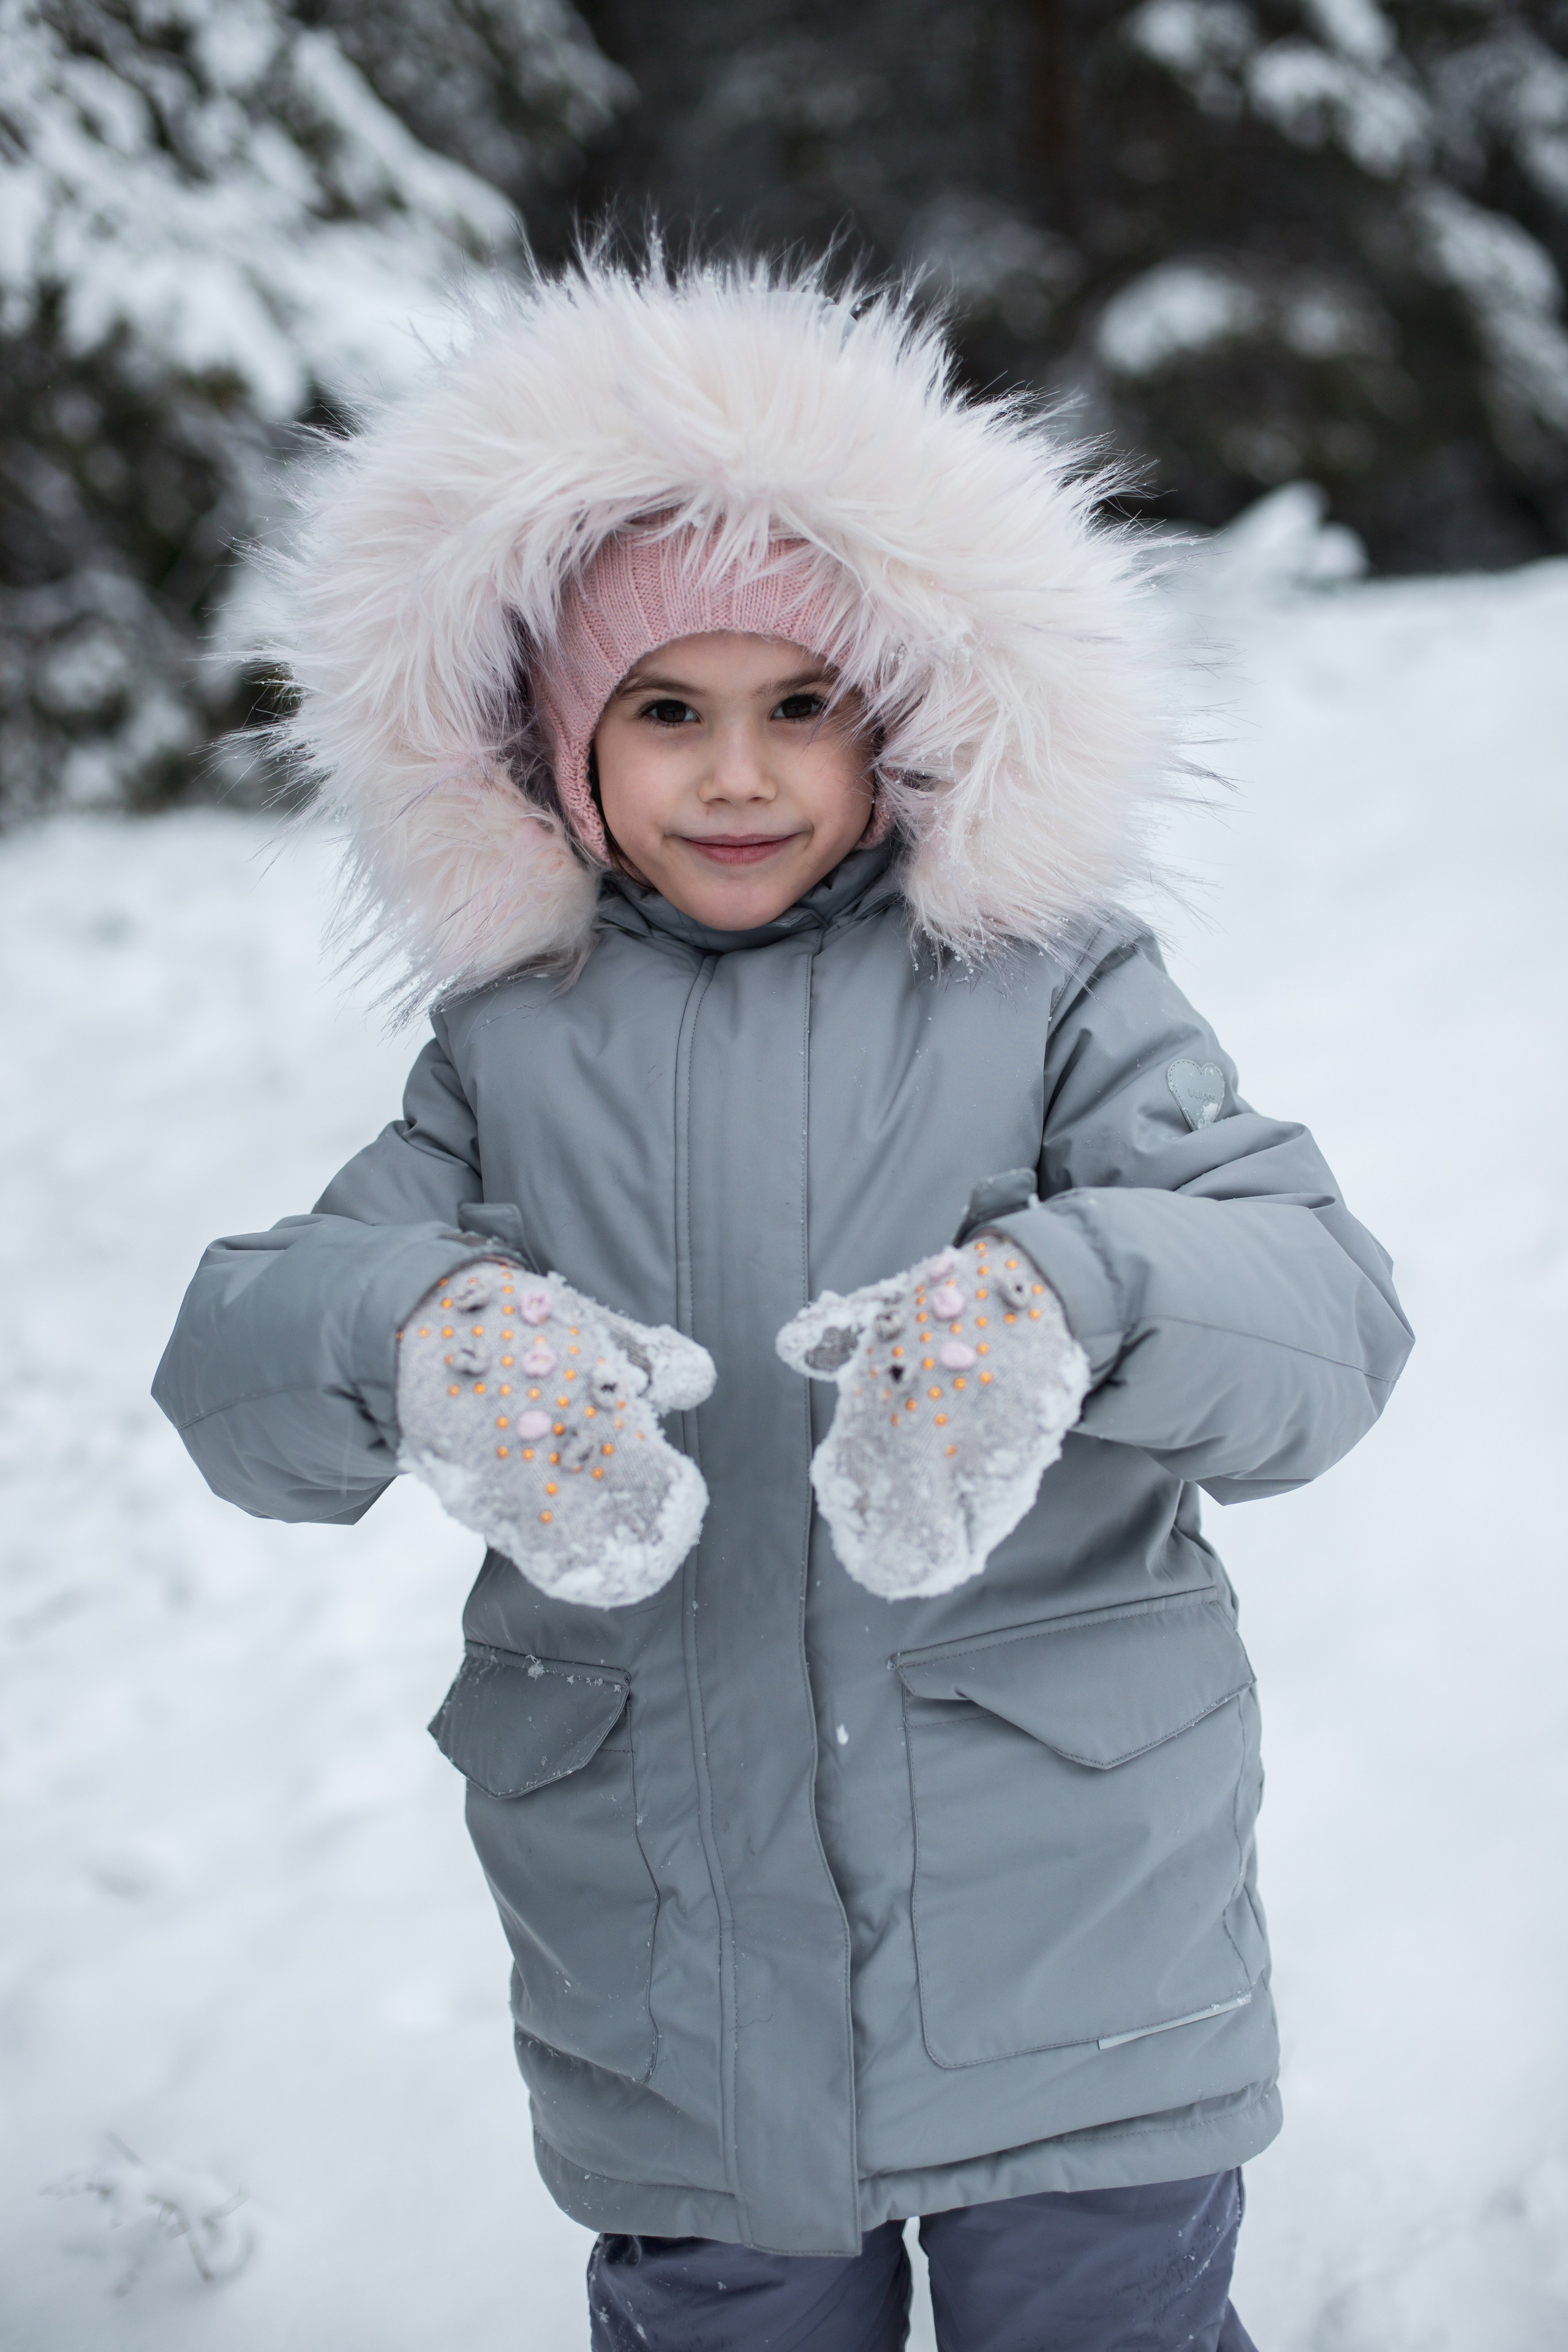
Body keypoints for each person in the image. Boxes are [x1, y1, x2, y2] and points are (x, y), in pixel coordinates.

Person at [154, 255, 1412, 2350]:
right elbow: (235, 1374)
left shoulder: (1052, 993)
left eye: (796, 705)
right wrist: (416, 1334)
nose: (735, 773)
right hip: (682, 1984)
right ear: (558, 750)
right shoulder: (510, 1055)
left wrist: (1067, 1293)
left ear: (898, 713)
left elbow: (1325, 1322)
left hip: (1072, 1951)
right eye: (667, 711)